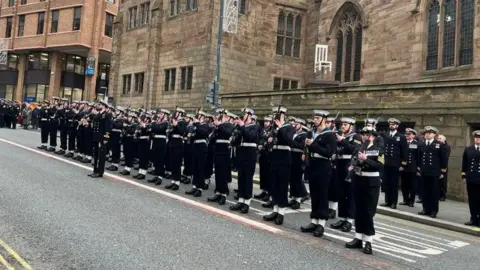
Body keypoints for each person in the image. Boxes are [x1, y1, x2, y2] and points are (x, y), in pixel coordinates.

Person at [345, 126, 383, 255]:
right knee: (358, 210)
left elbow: (380, 166)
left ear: (373, 136)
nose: (366, 136)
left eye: (368, 134)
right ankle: (358, 238)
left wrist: (366, 159)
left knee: (368, 212)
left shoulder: (379, 150)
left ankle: (369, 241)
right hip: (358, 181)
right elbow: (353, 161)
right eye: (364, 134)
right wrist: (352, 166)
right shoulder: (358, 148)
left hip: (371, 183)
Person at [300, 110, 337, 237]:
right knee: (314, 194)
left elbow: (329, 153)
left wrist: (313, 145)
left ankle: (321, 224)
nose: (315, 120)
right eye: (314, 117)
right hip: (313, 164)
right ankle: (314, 221)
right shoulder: (312, 133)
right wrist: (306, 152)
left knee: (322, 195)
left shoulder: (329, 135)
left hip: (323, 166)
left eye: (317, 118)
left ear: (324, 120)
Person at [262, 106, 295, 225]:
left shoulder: (289, 127)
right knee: (274, 185)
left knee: (282, 186)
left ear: (283, 116)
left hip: (284, 158)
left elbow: (289, 140)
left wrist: (281, 128)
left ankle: (281, 212)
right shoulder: (273, 128)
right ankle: (275, 210)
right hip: (275, 157)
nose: (277, 117)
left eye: (279, 115)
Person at [417, 126, 448, 218]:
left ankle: (433, 210)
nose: (427, 135)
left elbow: (444, 159)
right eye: (426, 133)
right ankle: (425, 209)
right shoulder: (422, 144)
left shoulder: (439, 144)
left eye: (429, 133)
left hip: (434, 172)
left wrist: (442, 171)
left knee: (434, 192)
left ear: (434, 134)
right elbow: (419, 158)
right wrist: (419, 169)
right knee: (424, 191)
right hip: (424, 171)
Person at [380, 118, 408, 209]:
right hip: (386, 163)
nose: (391, 125)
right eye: (390, 124)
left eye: (393, 124)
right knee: (386, 183)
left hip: (395, 164)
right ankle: (387, 201)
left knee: (394, 184)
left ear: (397, 126)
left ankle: (393, 202)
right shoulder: (385, 135)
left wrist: (403, 164)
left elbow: (405, 152)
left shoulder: (401, 137)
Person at [88, 101, 112, 178]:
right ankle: (95, 170)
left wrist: (106, 138)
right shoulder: (99, 114)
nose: (99, 106)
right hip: (96, 137)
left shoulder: (106, 115)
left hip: (102, 138)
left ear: (104, 106)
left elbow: (108, 128)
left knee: (101, 156)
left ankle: (100, 172)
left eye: (100, 105)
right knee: (96, 154)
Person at [462, 130, 480, 227]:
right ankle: (473, 219)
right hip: (471, 178)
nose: (477, 139)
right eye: (476, 137)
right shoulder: (468, 149)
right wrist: (464, 176)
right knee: (472, 200)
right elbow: (464, 164)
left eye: (479, 137)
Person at [399, 128, 420, 207]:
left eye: (409, 134)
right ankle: (405, 200)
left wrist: (418, 168)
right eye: (406, 134)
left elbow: (418, 157)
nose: (407, 136)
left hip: (412, 168)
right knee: (404, 185)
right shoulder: (403, 143)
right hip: (404, 167)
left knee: (412, 186)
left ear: (413, 135)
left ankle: (411, 201)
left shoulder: (417, 144)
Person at [437, 134, 451, 201]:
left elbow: (445, 157)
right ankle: (438, 194)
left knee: (443, 182)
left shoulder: (447, 146)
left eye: (440, 138)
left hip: (443, 166)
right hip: (436, 166)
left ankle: (443, 195)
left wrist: (443, 169)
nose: (439, 139)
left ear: (444, 139)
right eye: (438, 138)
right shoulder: (436, 145)